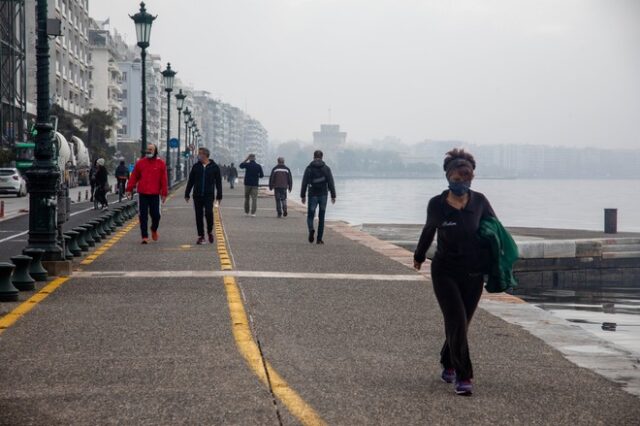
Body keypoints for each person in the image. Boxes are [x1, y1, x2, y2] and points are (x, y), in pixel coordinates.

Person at [413, 148, 496, 396]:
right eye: (457, 179)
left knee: (462, 323)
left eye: (466, 178)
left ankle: (448, 360)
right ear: (448, 177)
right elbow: (429, 230)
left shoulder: (480, 202)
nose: (461, 183)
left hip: (473, 273)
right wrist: (419, 255)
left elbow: (495, 232)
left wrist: (498, 263)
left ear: (472, 177)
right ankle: (464, 375)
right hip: (445, 271)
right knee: (456, 320)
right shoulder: (437, 204)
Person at [126, 144, 169, 244]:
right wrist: (129, 189)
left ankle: (154, 229)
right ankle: (144, 236)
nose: (149, 151)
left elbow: (164, 179)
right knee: (143, 216)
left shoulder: (161, 163)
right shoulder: (140, 163)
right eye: (148, 149)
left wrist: (164, 193)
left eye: (151, 149)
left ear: (155, 151)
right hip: (143, 194)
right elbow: (134, 177)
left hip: (155, 194)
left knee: (156, 215)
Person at [184, 147, 223, 245]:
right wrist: (187, 193)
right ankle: (201, 236)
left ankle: (209, 231)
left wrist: (219, 195)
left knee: (209, 213)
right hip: (197, 195)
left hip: (209, 195)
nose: (198, 155)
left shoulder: (214, 167)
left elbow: (218, 182)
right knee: (198, 216)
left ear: (205, 155)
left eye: (200, 153)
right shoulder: (196, 166)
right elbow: (191, 181)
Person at [300, 150, 336, 244]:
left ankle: (311, 229)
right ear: (322, 157)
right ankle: (319, 239)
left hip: (312, 194)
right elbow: (331, 182)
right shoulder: (326, 168)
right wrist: (333, 195)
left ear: (313, 157)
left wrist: (303, 195)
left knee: (310, 215)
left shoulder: (309, 168)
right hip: (323, 194)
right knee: (321, 217)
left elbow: (304, 182)